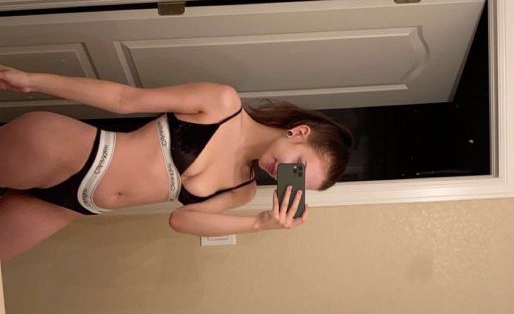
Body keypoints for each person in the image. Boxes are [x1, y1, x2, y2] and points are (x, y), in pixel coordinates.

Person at [0, 64, 353, 261]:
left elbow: (181, 220)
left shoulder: (243, 191)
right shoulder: (222, 104)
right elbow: (124, 99)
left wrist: (259, 224)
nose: (283, 176)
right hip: (65, 151)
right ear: (299, 132)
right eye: (298, 167)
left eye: (296, 181)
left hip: (74, 206)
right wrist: (32, 81)